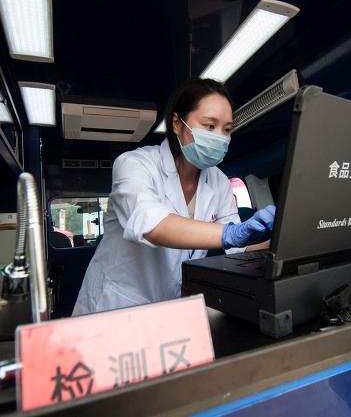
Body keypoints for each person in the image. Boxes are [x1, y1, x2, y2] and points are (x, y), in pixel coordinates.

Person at [72, 78, 275, 315]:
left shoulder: (219, 181)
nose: (221, 137)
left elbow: (238, 247)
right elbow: (152, 225)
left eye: (227, 129)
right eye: (210, 126)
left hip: (170, 307)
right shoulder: (135, 164)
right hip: (116, 304)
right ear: (177, 124)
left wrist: (281, 234)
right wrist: (230, 234)